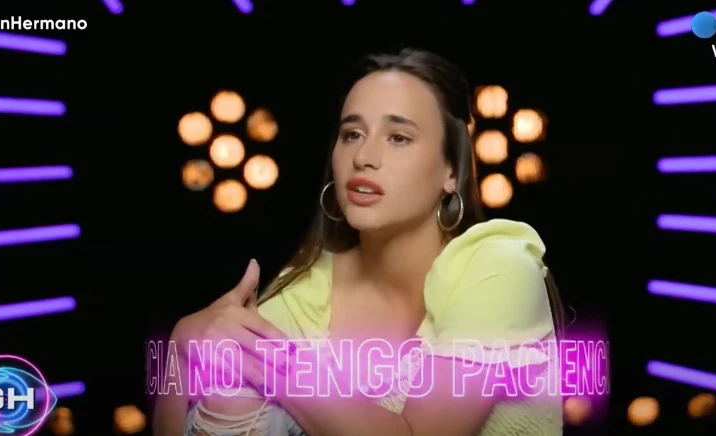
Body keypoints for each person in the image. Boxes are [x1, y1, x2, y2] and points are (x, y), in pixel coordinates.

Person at [154, 47, 565, 436]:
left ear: (451, 171)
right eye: (351, 134)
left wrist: (274, 366)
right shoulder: (305, 295)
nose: (363, 156)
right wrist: (182, 345)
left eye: (398, 137)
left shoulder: (498, 265)